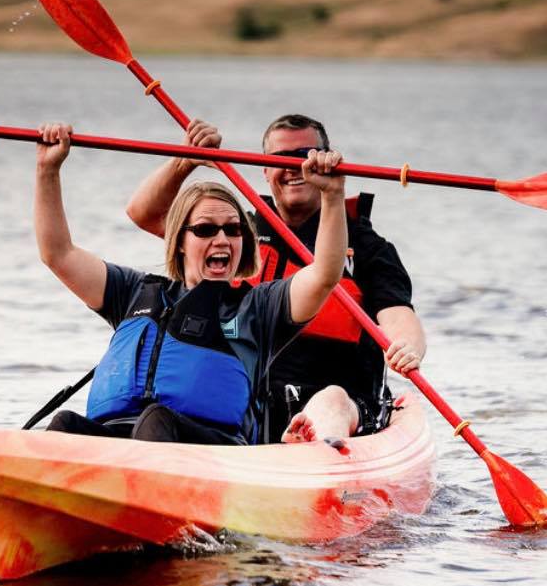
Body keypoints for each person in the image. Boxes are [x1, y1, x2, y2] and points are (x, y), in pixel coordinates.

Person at [33, 121, 347, 445]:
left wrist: (332, 195)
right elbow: (58, 253)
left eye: (234, 229)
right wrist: (47, 169)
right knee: (66, 422)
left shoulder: (259, 309)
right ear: (180, 240)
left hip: (210, 452)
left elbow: (324, 274)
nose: (223, 239)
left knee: (156, 420)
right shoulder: (133, 293)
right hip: (119, 444)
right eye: (206, 230)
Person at [125, 114, 426, 446]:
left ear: (327, 161)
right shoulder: (236, 236)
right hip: (250, 405)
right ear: (264, 171)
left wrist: (405, 348)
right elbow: (145, 214)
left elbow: (399, 316)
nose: (293, 168)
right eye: (279, 160)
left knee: (332, 400)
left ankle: (316, 454)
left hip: (345, 404)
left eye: (305, 157)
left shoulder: (369, 249)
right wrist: (185, 162)